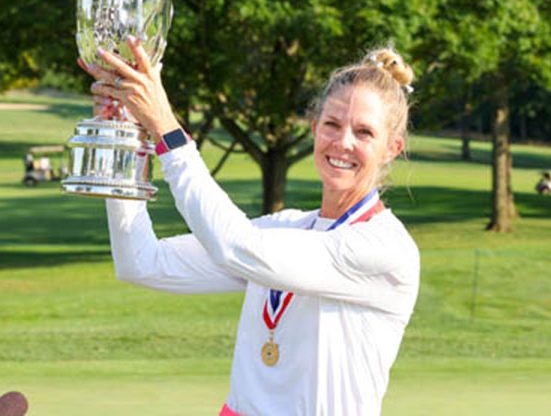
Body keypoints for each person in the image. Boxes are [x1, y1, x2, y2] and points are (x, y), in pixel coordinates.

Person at [82, 38, 420, 416]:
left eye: (364, 132)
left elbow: (236, 246)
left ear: (392, 147)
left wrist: (165, 127)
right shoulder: (285, 228)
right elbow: (141, 263)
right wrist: (123, 141)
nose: (342, 142)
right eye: (332, 124)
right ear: (314, 129)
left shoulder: (384, 249)